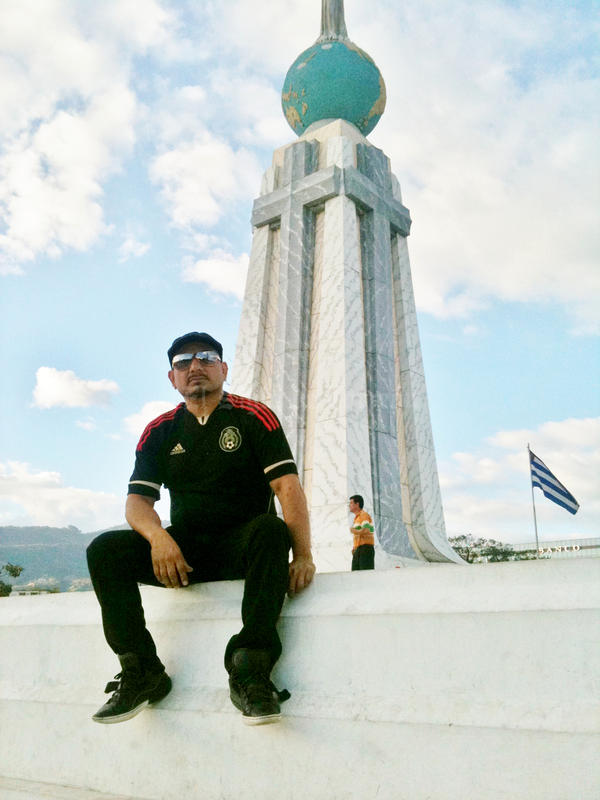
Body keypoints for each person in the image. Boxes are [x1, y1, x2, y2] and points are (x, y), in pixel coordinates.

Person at [87, 332, 315, 726]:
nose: (195, 367)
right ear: (172, 378)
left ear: (223, 369)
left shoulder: (253, 416)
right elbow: (138, 503)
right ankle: (143, 672)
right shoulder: (159, 430)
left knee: (269, 529)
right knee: (105, 550)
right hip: (185, 554)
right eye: (183, 362)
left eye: (206, 358)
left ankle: (251, 669)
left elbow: (287, 488)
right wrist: (159, 539)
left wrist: (304, 555)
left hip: (243, 545)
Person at [349, 495, 375, 570]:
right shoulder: (357, 518)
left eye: (351, 503)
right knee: (356, 576)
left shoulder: (364, 515)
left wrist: (354, 531)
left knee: (365, 575)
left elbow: (366, 529)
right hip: (359, 550)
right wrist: (354, 547)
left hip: (366, 549)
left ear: (357, 504)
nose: (349, 505)